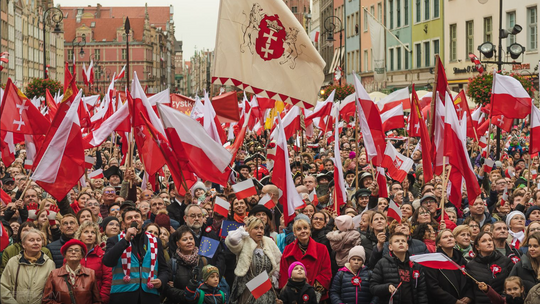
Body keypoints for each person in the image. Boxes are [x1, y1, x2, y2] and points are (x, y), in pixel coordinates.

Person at [103, 206, 169, 304]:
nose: (134, 219)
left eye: (137, 217)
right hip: (122, 296)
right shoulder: (115, 240)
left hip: (149, 296)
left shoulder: (155, 241)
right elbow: (108, 261)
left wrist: (161, 280)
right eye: (129, 218)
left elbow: (164, 269)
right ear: (123, 224)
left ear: (142, 221)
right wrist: (125, 240)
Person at [225, 216, 282, 303]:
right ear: (248, 229)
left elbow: (279, 262)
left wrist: (273, 279)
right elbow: (232, 239)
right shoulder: (243, 242)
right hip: (246, 290)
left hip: (266, 290)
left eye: (262, 228)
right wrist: (243, 230)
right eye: (256, 228)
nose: (260, 231)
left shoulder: (269, 242)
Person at [279, 218, 332, 301]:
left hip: (315, 293)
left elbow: (326, 271)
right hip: (293, 295)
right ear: (295, 233)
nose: (303, 231)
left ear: (310, 230)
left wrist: (315, 290)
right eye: (299, 229)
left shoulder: (322, 248)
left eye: (305, 228)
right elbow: (283, 272)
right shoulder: (288, 250)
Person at [370, 232, 428, 304]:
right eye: (397, 241)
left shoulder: (415, 265)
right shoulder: (382, 263)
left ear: (407, 246)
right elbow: (373, 287)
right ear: (390, 247)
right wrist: (386, 287)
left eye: (403, 241)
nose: (400, 243)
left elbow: (421, 291)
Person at [0, 228, 56, 303]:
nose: (36, 243)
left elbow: (51, 292)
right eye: (31, 240)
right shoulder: (13, 262)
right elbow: (4, 287)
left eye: (38, 240)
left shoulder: (49, 264)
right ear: (23, 244)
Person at [42, 239, 101, 304]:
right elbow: (46, 300)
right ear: (65, 255)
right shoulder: (54, 275)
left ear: (82, 255)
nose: (73, 252)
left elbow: (97, 301)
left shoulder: (90, 274)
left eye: (77, 250)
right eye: (70, 250)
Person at [425, 229, 473, 304]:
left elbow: (470, 280)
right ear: (439, 244)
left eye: (451, 236)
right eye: (445, 237)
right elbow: (433, 287)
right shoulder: (434, 262)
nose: (449, 238)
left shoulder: (461, 259)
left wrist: (469, 296)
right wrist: (454, 301)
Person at [466, 231, 513, 304]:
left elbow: (511, 284)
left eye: (490, 240)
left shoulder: (505, 261)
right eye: (484, 241)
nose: (489, 243)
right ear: (477, 247)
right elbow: (470, 289)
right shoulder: (471, 266)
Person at [164, 226, 208, 304]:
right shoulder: (172, 263)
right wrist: (187, 295)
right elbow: (166, 289)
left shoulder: (202, 261)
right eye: (185, 239)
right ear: (178, 244)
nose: (189, 241)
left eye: (191, 238)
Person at [76, 221, 112, 303]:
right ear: (79, 235)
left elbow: (107, 280)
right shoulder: (72, 254)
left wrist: (101, 300)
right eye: (86, 232)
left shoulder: (102, 255)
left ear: (96, 236)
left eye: (93, 232)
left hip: (97, 299)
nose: (89, 235)